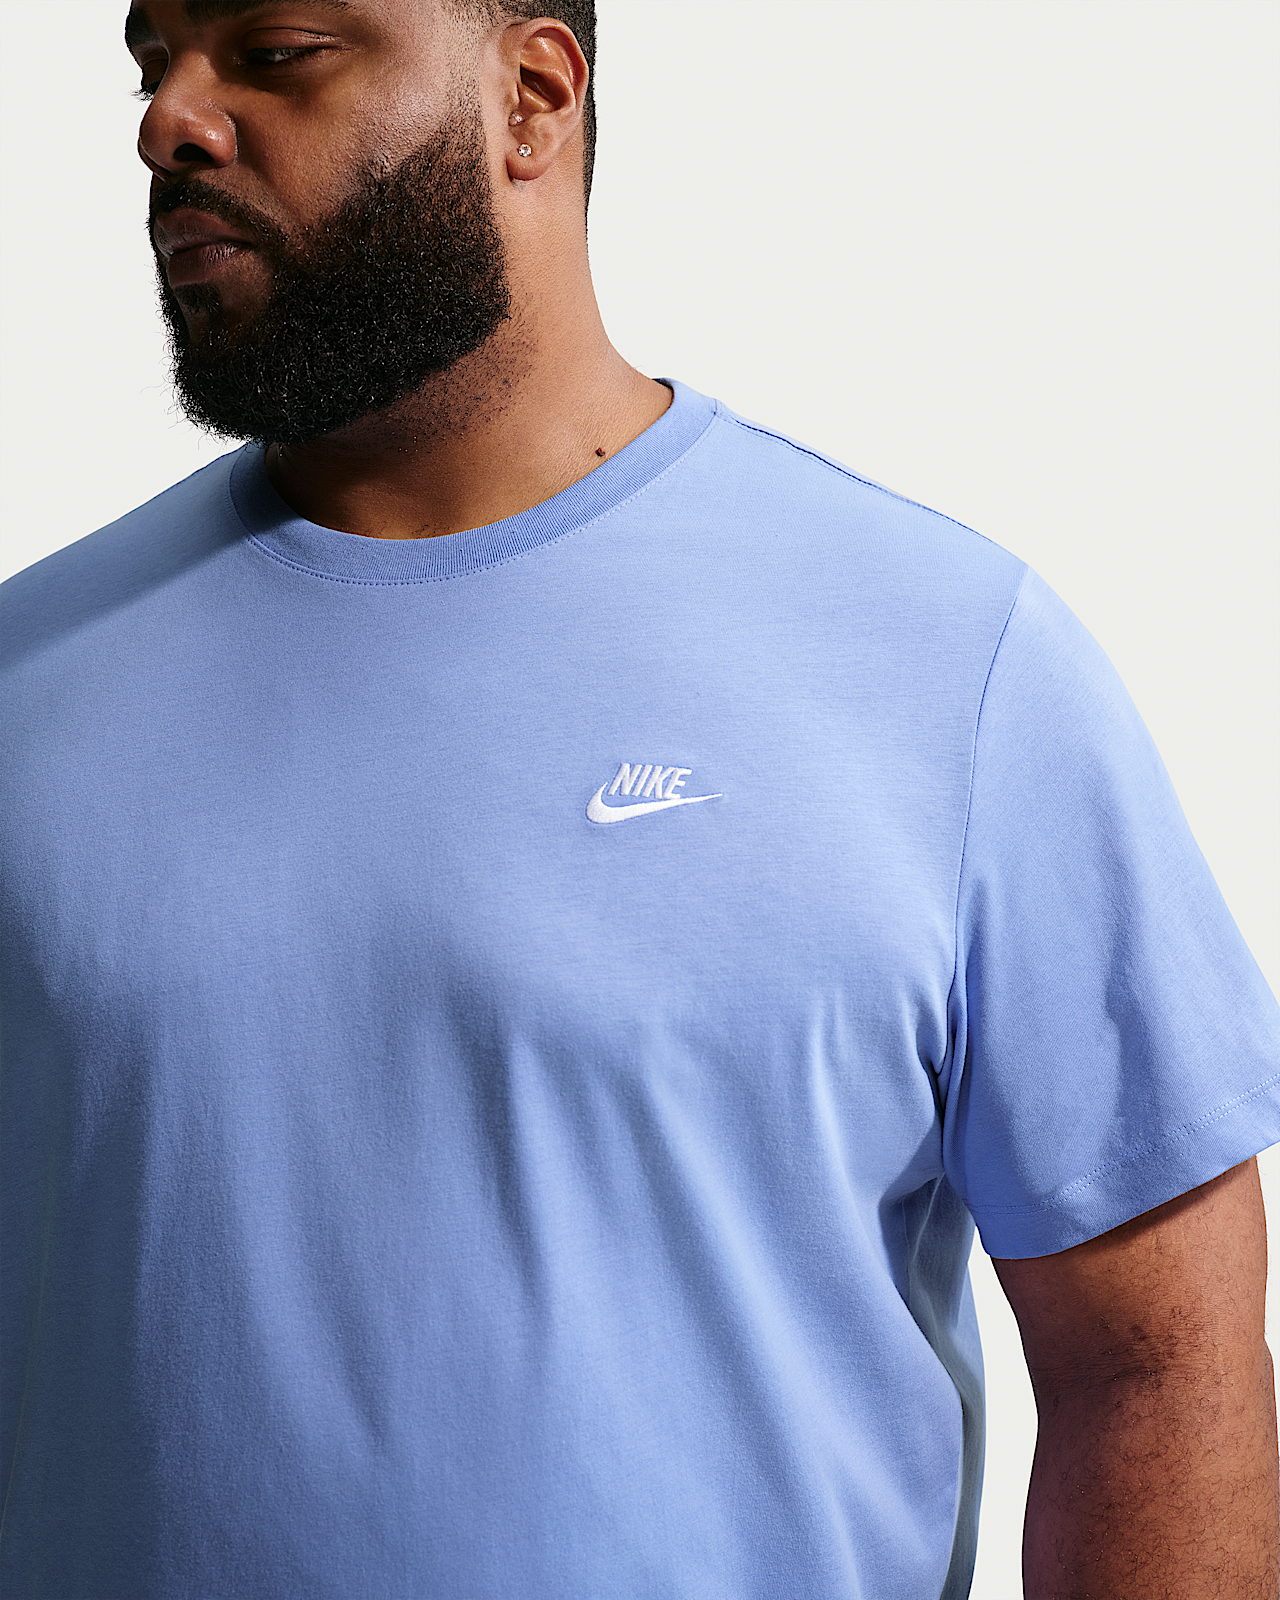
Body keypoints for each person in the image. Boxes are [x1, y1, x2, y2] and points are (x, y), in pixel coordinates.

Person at [1, 1, 1277, 1595]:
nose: (168, 122)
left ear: (533, 97)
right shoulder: (26, 692)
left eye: (277, 50)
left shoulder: (948, 659)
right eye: (153, 66)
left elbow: (1156, 1366)